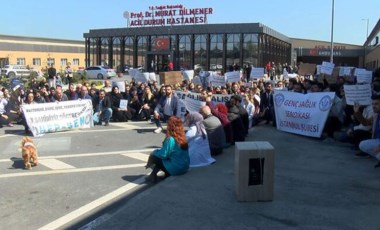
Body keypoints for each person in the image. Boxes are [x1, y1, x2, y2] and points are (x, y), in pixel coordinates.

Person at [145, 116, 189, 182]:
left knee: (154, 156)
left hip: (176, 169)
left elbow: (163, 154)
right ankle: (163, 174)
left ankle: (153, 176)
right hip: (184, 167)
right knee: (168, 156)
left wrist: (154, 152)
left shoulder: (171, 139)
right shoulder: (183, 136)